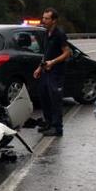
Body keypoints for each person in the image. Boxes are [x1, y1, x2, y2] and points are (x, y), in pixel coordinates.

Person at [33, 8, 71, 137]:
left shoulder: (59, 34)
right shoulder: (46, 33)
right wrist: (39, 67)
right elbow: (46, 53)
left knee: (55, 99)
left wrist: (53, 62)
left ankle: (57, 128)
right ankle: (48, 124)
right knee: (44, 98)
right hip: (45, 71)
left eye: (47, 18)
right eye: (43, 18)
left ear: (54, 20)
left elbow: (67, 52)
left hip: (56, 72)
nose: (44, 20)